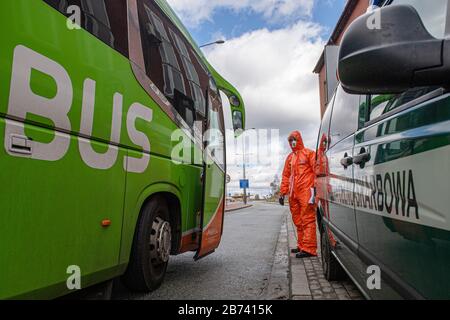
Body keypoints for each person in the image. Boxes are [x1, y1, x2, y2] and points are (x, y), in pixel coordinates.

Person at [279, 131, 317, 258]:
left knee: (307, 219)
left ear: (299, 139)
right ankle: (302, 245)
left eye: (294, 139)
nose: (292, 142)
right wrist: (282, 192)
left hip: (306, 191)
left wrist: (316, 188)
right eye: (290, 140)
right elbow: (286, 175)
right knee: (298, 220)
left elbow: (317, 170)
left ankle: (309, 249)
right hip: (293, 194)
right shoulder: (290, 157)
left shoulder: (309, 153)